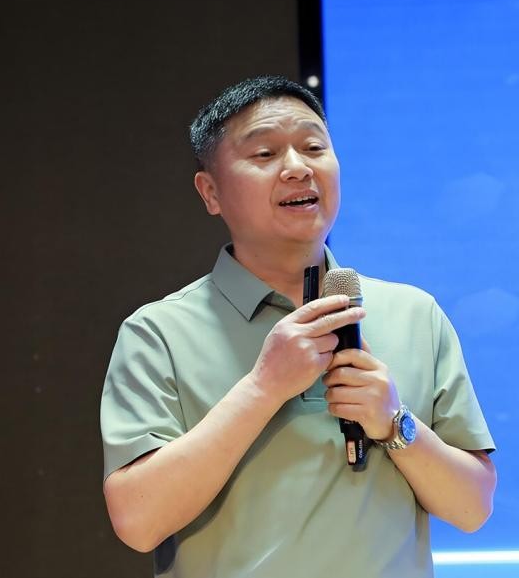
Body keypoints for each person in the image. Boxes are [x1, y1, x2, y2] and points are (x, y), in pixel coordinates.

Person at [100, 75, 497, 578]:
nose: (297, 168)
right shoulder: (158, 332)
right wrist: (263, 388)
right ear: (211, 192)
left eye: (314, 148)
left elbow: (473, 508)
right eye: (265, 154)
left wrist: (393, 422)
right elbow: (138, 522)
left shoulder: (415, 314)